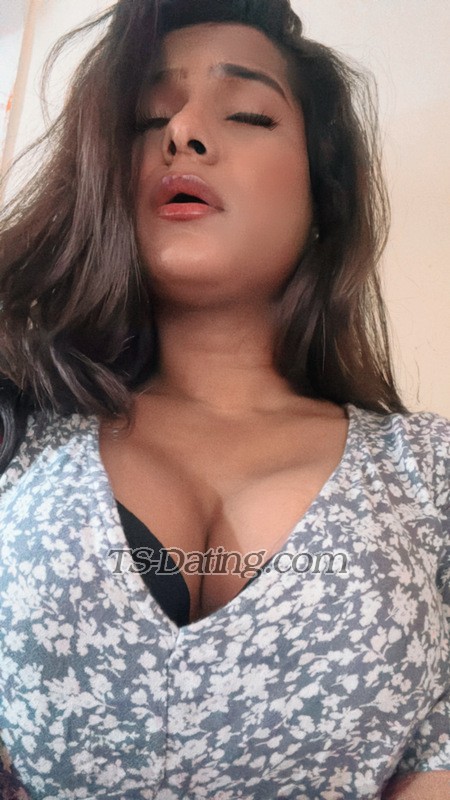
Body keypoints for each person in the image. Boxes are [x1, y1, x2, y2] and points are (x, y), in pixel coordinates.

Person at [0, 0, 448, 797]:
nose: (183, 132)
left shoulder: (430, 474)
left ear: (324, 191)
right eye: (148, 119)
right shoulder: (16, 426)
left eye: (247, 113)